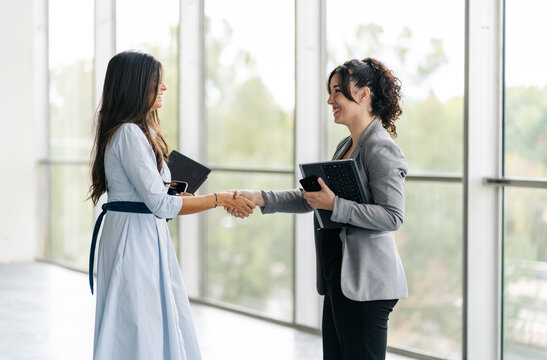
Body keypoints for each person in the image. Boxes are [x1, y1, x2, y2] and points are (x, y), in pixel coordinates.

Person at [230, 57, 408, 360]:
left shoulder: (381, 148)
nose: (330, 100)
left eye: (338, 91)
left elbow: (392, 217)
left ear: (364, 94)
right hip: (341, 276)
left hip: (366, 284)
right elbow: (312, 198)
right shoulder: (346, 146)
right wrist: (259, 196)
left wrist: (335, 205)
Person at [88, 50, 255, 360]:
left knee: (148, 321)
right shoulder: (128, 133)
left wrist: (178, 197)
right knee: (137, 323)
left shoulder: (142, 132)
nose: (164, 87)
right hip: (133, 240)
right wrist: (219, 199)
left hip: (142, 236)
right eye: (157, 81)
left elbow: (157, 196)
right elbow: (161, 205)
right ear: (136, 85)